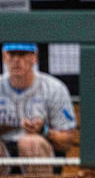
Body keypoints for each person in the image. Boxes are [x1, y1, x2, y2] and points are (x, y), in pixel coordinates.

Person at [0, 43, 76, 176]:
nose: (16, 60)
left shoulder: (54, 88)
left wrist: (44, 131)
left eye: (22, 54)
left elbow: (68, 142)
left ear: (34, 58)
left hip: (42, 154)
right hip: (5, 150)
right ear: (4, 57)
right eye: (12, 54)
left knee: (30, 143)